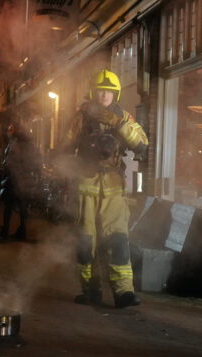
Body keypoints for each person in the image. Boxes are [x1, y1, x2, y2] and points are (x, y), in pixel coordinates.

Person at [67, 69, 149, 309]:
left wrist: (119, 124)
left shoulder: (123, 117)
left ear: (116, 94)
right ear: (94, 92)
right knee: (85, 241)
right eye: (101, 91)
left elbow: (142, 144)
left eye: (109, 92)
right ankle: (90, 289)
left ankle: (123, 292)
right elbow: (64, 146)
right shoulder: (81, 117)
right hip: (86, 186)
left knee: (118, 240)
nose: (104, 95)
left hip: (113, 187)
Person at [0, 123, 39, 241]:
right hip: (27, 179)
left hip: (14, 179)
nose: (8, 132)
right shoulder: (31, 144)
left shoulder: (15, 142)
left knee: (8, 206)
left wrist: (3, 169)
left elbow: (10, 161)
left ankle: (5, 231)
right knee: (23, 207)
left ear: (15, 131)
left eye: (10, 130)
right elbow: (36, 161)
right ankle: (22, 232)